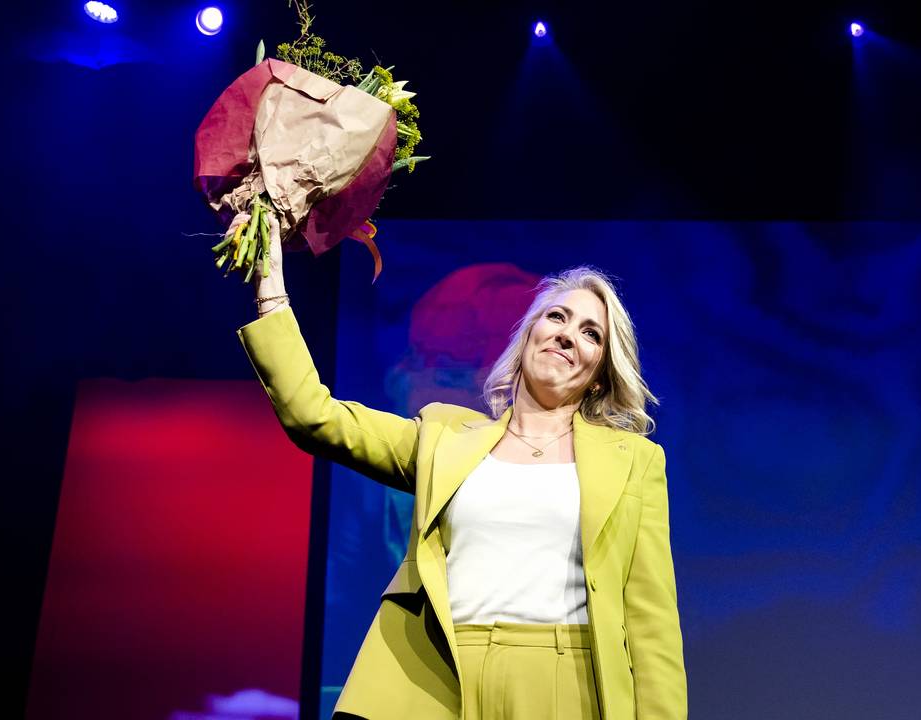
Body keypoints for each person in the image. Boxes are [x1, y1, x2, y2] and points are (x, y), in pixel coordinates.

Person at [236, 234, 687, 720]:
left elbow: (650, 622)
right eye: (556, 316)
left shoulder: (634, 462)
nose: (566, 334)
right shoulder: (443, 438)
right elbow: (314, 416)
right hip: (444, 675)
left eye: (590, 333)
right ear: (528, 336)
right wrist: (271, 288)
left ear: (599, 374)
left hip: (563, 683)